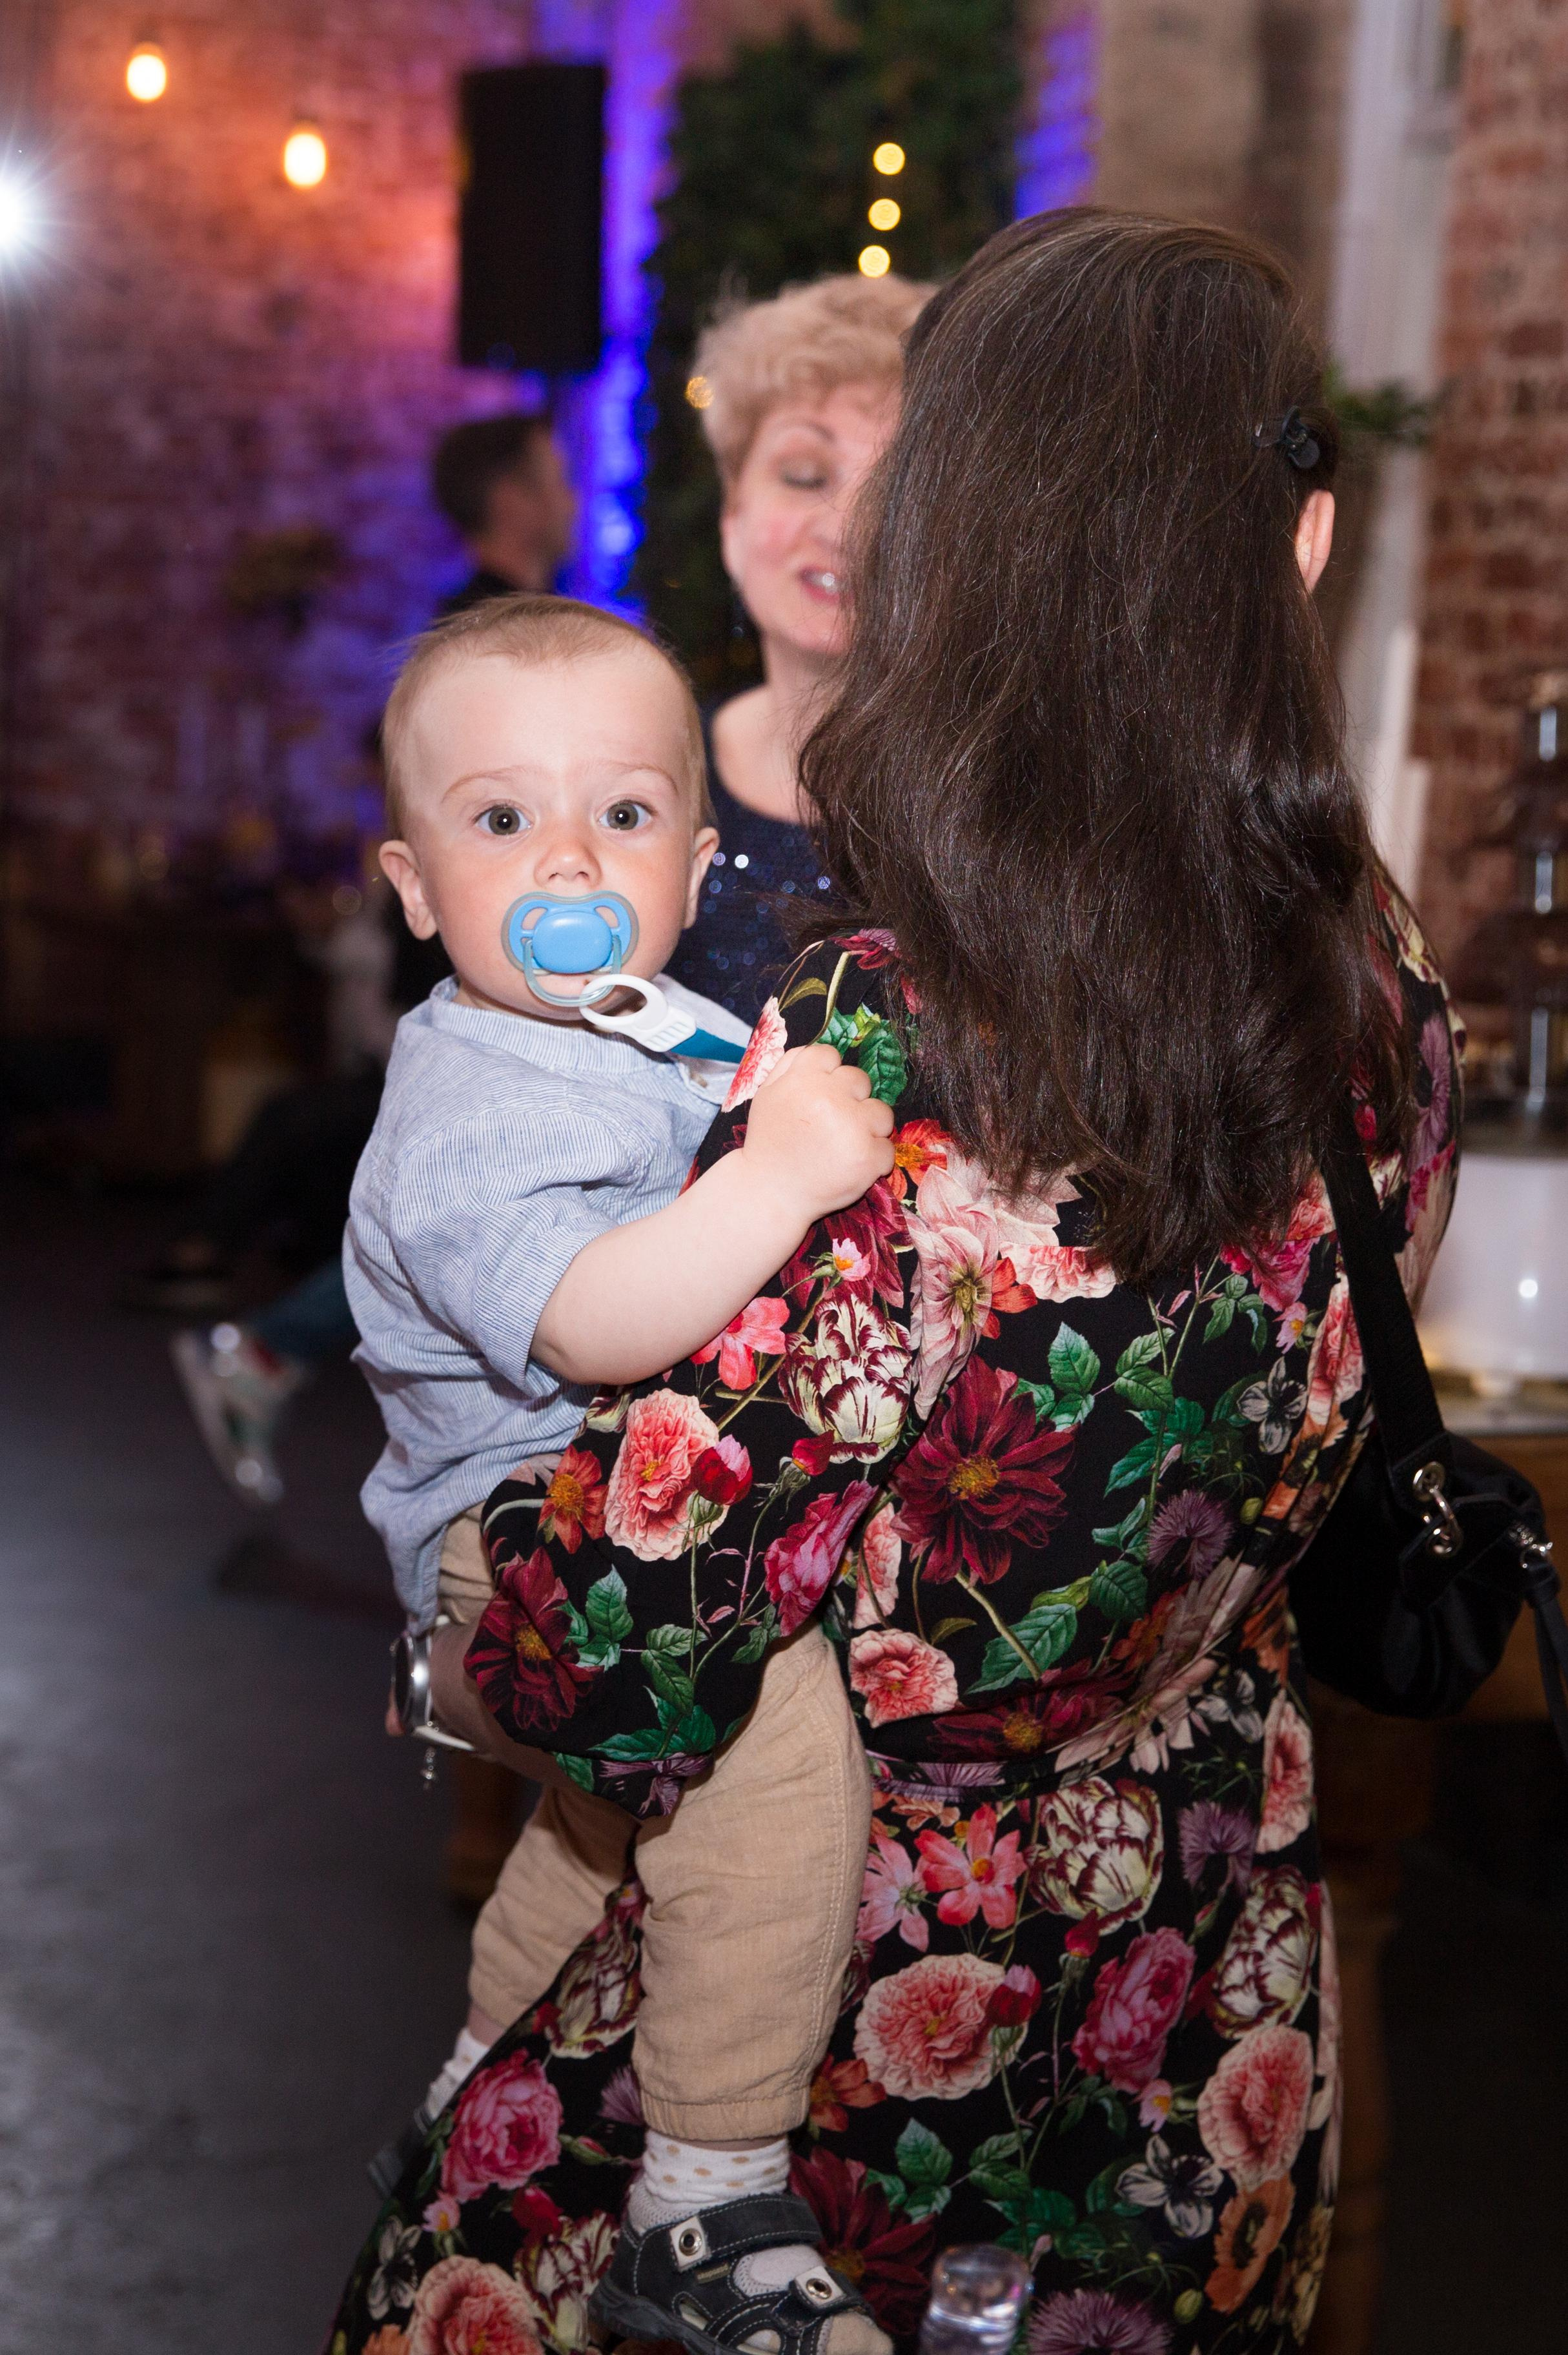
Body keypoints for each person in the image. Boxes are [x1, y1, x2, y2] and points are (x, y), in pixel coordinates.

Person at [328, 210, 1463, 2355]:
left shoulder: (896, 1031)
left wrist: (451, 1640)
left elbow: (633, 1644)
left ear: (938, 553)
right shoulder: (1379, 972)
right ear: (1289, 549)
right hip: (1180, 1932)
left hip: (808, 2030)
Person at [348, 591, 897, 2352]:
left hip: (625, 1500)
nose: (565, 856)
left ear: (692, 862)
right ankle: (708, 2187)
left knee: (602, 1825)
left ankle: (471, 2088)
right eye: (499, 818)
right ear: (416, 886)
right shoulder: (471, 1102)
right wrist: (776, 1183)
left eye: (625, 814)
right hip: (508, 1529)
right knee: (754, 1727)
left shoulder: (639, 1024)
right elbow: (592, 1321)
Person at [666, 274, 928, 1024]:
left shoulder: (1001, 811)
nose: (844, 524)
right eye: (804, 474)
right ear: (732, 517)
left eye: (893, 488)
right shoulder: (639, 778)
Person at [431, 412, 578, 615]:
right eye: (560, 482)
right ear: (511, 501)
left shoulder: (462, 625)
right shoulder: (501, 632)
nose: (572, 504)